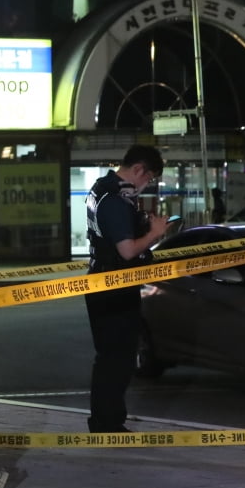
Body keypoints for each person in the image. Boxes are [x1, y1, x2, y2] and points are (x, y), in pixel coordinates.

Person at [83, 144, 169, 434]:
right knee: (117, 359)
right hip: (114, 287)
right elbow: (128, 250)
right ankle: (107, 424)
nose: (146, 186)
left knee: (109, 357)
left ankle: (105, 420)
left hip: (102, 282)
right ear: (138, 170)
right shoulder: (117, 199)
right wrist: (155, 234)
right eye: (148, 179)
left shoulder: (100, 188)